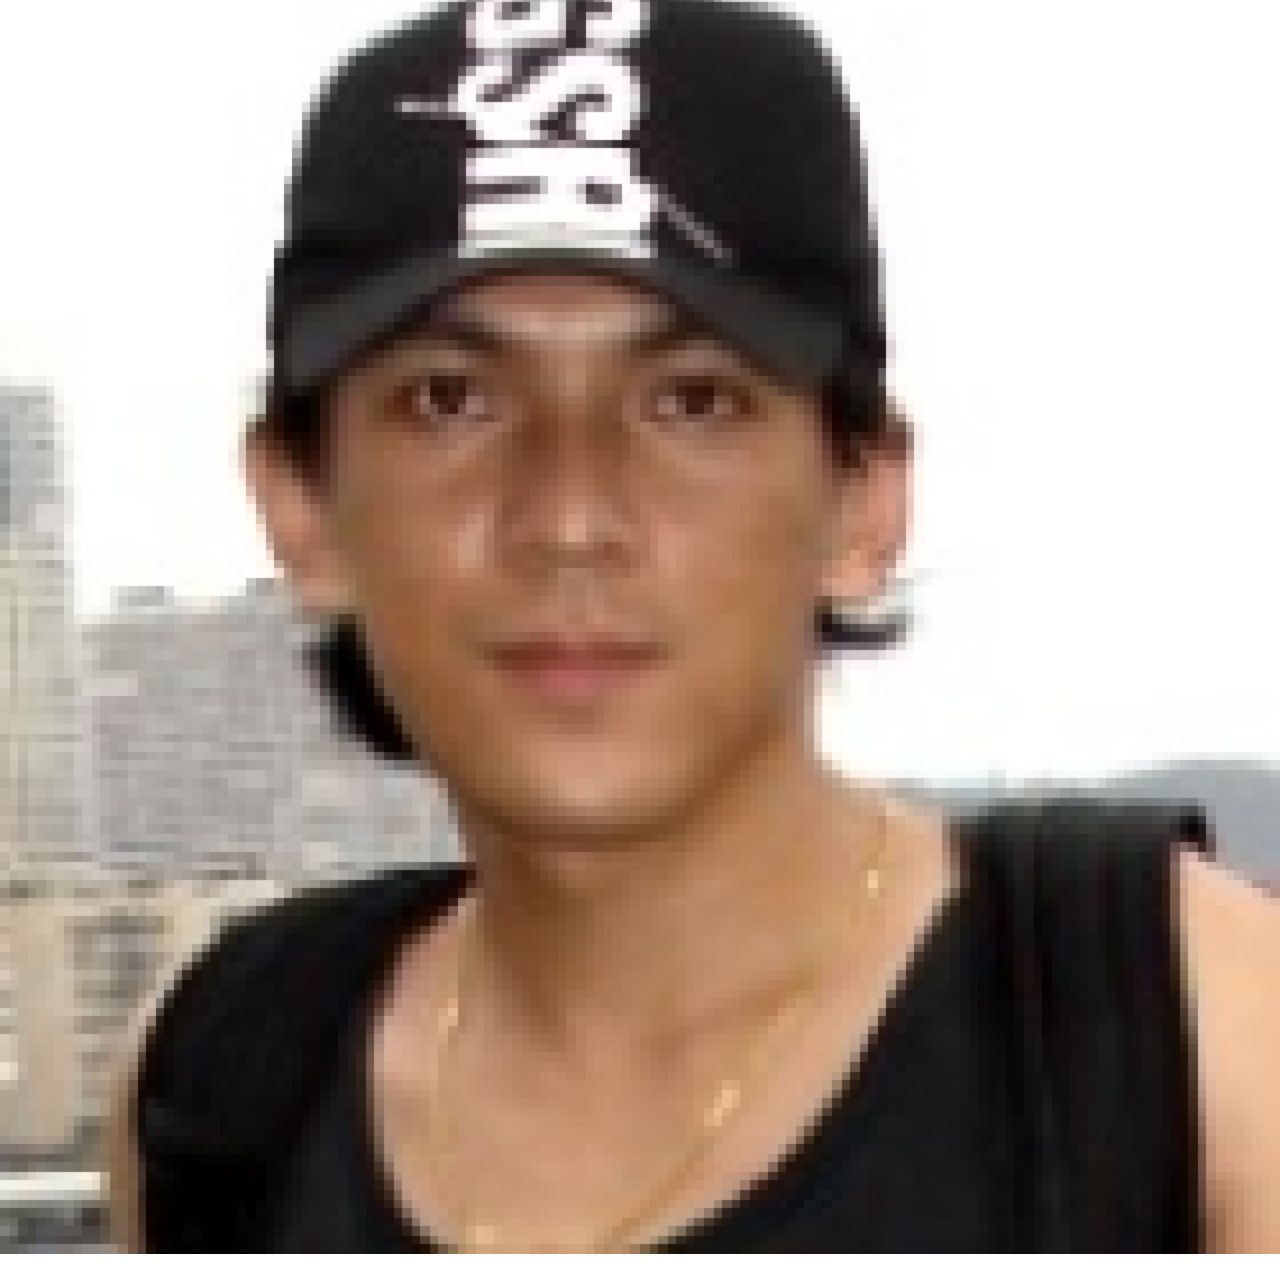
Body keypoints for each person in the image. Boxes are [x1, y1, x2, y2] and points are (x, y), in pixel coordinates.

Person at [101, 0, 1279, 1252]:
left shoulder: (1180, 1038)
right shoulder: (229, 1087)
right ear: (300, 505)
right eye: (450, 400)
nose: (568, 517)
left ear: (862, 498)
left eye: (692, 400)